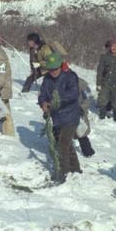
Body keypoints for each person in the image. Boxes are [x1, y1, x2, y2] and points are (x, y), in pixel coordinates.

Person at [38, 52, 81, 183]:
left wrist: (57, 100)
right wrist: (43, 103)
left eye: (55, 69)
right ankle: (75, 168)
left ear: (60, 66)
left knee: (62, 145)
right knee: (65, 144)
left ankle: (62, 172)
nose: (53, 72)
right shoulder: (47, 79)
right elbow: (42, 95)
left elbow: (73, 94)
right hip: (56, 118)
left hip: (70, 116)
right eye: (50, 69)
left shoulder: (70, 76)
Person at [96, 39, 116, 121]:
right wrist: (98, 83)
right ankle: (102, 118)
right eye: (112, 46)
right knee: (102, 100)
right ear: (110, 47)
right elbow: (100, 70)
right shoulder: (104, 57)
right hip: (105, 82)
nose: (114, 48)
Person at [76, 77, 96, 157]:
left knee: (81, 132)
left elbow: (88, 98)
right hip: (65, 113)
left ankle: (88, 151)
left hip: (79, 112)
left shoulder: (81, 83)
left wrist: (82, 108)